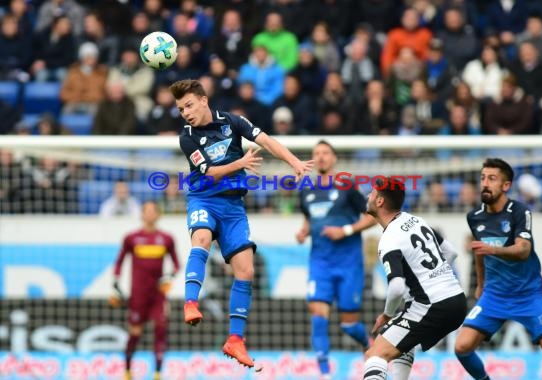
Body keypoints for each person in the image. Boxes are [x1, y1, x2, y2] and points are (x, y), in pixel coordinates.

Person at [169, 79, 313, 368]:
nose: (185, 113)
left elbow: (267, 140)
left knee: (245, 270)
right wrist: (240, 163)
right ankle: (190, 303)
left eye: (189, 105)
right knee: (201, 239)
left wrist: (294, 162)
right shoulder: (187, 137)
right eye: (180, 109)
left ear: (203, 100)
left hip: (233, 207)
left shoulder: (232, 122)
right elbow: (210, 173)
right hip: (204, 200)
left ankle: (235, 340)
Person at [454, 158, 542, 380]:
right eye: (482, 178)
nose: (485, 183)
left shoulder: (519, 211)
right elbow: (480, 250)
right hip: (494, 295)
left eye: (492, 179)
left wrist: (493, 249)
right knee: (462, 347)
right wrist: (481, 284)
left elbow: (523, 250)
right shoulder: (474, 217)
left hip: (528, 295)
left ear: (506, 186)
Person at [363, 177, 467, 380]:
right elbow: (451, 252)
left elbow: (396, 288)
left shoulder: (389, 239)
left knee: (374, 355)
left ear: (380, 201)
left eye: (372, 193)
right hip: (457, 299)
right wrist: (432, 276)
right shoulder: (416, 220)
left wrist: (386, 314)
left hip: (432, 305)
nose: (368, 196)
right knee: (400, 342)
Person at [295, 140, 377, 380]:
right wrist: (304, 231)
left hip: (349, 263)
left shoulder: (346, 185)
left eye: (325, 153)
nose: (321, 157)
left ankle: (367, 343)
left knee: (348, 325)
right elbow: (310, 219)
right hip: (320, 262)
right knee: (318, 316)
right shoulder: (306, 189)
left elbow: (372, 217)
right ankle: (324, 373)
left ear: (333, 159)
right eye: (316, 153)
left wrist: (346, 231)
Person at [110, 201, 180, 380]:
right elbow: (119, 262)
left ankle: (157, 373)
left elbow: (177, 265)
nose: (149, 214)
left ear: (158, 215)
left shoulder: (166, 238)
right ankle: (127, 371)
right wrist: (115, 283)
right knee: (135, 333)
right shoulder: (131, 238)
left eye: (153, 211)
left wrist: (169, 278)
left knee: (161, 329)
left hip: (158, 296)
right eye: (146, 211)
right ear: (141, 215)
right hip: (138, 295)